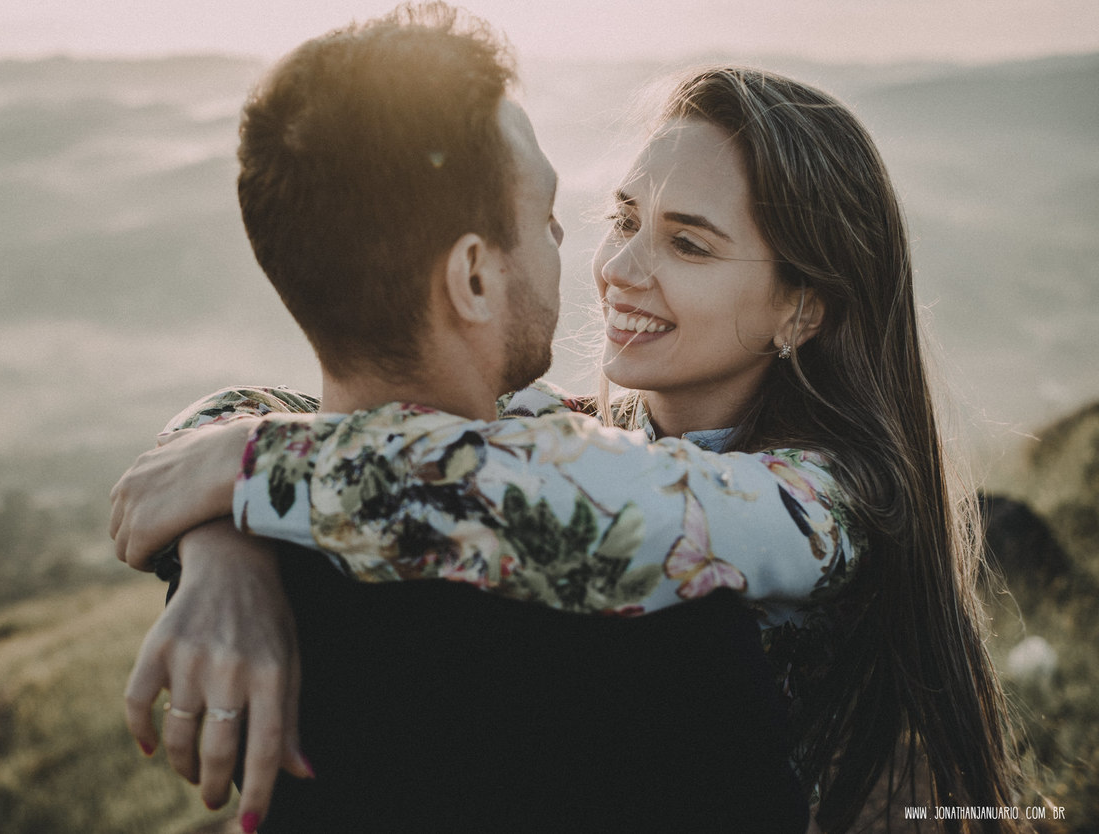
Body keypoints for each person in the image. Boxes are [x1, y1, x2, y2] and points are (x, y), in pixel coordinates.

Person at [112, 12, 1026, 834]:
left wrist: (248, 471)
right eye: (624, 218)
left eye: (688, 243)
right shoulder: (581, 437)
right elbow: (232, 433)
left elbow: (618, 512)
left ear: (802, 308)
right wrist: (227, 553)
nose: (619, 268)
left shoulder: (829, 503)